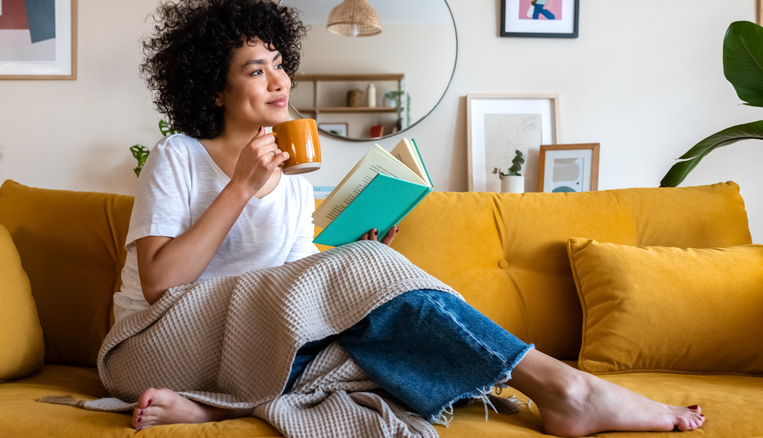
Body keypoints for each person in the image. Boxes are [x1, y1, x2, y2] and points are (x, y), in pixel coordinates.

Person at [111, 0, 706, 436]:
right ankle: (568, 387)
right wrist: (240, 186)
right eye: (254, 69)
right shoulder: (179, 156)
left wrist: (361, 255)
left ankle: (214, 403)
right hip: (156, 344)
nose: (278, 80)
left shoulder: (292, 179)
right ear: (214, 90)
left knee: (383, 338)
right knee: (372, 312)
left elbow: (293, 285)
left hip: (248, 344)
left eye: (277, 63)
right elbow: (162, 280)